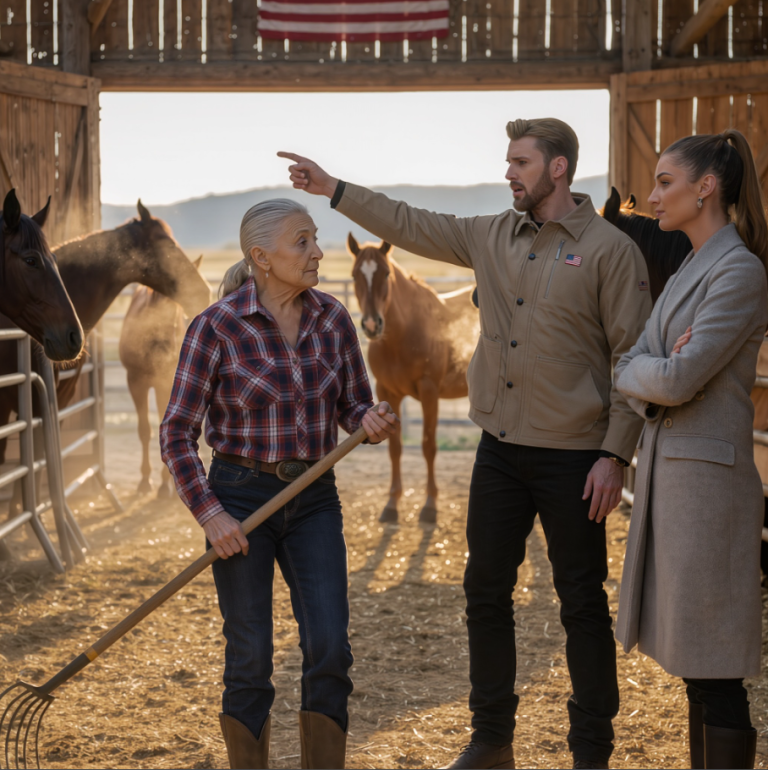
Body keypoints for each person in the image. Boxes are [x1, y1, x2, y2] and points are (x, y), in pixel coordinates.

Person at [278, 117, 652, 770]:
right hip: (499, 453)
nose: (508, 173)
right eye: (508, 162)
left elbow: (634, 356)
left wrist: (615, 454)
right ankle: (491, 742)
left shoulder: (608, 252)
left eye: (522, 163)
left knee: (582, 602)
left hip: (574, 457)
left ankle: (592, 753)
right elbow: (410, 221)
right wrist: (334, 189)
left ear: (558, 169)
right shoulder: (489, 235)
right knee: (483, 591)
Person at [159, 198, 398, 770]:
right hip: (238, 498)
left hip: (313, 497)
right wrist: (211, 515)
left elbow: (354, 403)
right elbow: (176, 434)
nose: (316, 252)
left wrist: (369, 420)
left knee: (328, 649)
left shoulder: (333, 317)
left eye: (315, 239)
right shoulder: (215, 328)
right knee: (250, 658)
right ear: (260, 257)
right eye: (303, 242)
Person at [614, 130, 768, 770]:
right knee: (695, 668)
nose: (651, 196)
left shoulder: (739, 270)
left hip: (709, 493)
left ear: (706, 188)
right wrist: (648, 373)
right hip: (674, 486)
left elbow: (676, 377)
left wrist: (647, 374)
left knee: (716, 669)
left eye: (665, 183)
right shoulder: (686, 267)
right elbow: (631, 362)